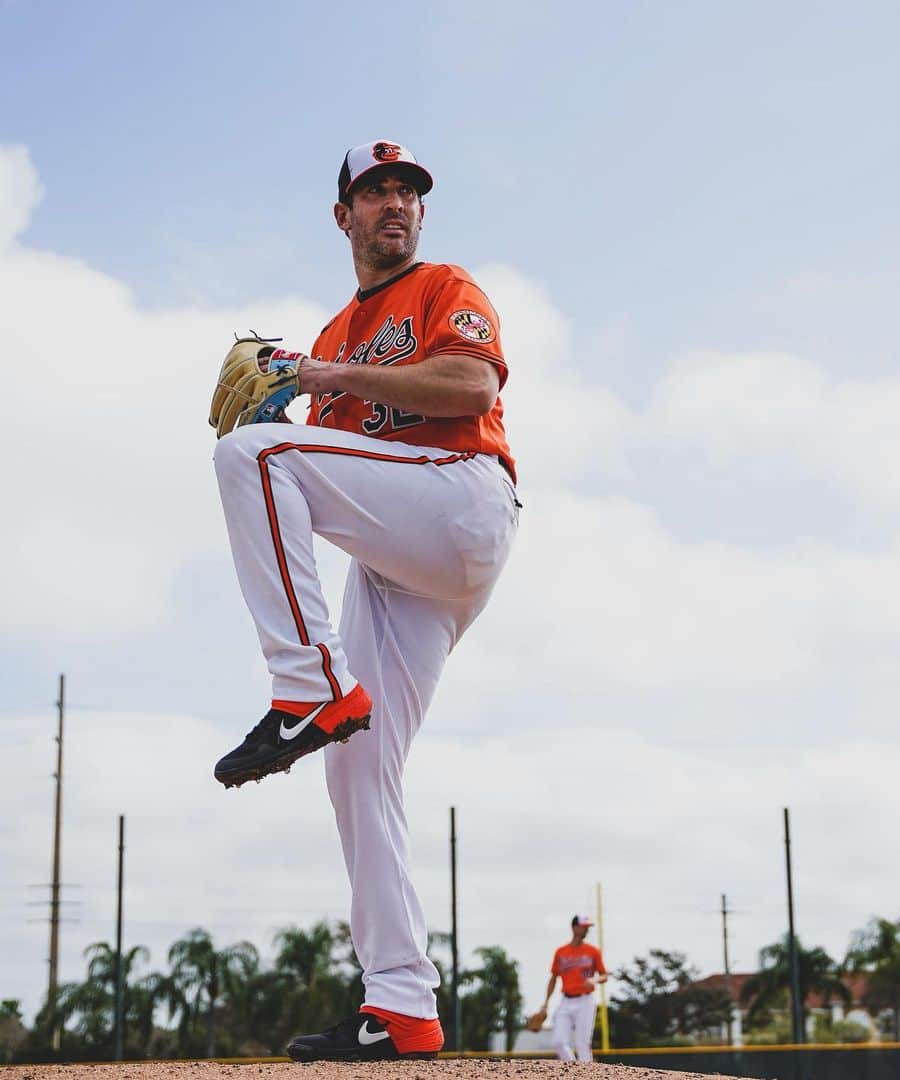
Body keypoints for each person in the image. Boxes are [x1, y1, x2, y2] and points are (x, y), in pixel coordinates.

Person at [211, 139, 519, 1060]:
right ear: (342, 214)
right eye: (375, 190)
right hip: (399, 558)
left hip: (461, 496)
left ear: (421, 214)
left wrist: (313, 383)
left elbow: (471, 382)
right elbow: (325, 471)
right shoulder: (337, 333)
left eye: (408, 191)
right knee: (356, 767)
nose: (395, 203)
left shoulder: (442, 287)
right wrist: (285, 404)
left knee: (251, 460)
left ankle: (307, 685)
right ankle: (401, 1005)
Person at [541, 915, 608, 1062]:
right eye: (583, 927)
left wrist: (594, 980)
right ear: (574, 927)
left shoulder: (593, 951)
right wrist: (546, 1003)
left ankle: (585, 1075)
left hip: (585, 1001)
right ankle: (574, 1071)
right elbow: (553, 978)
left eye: (587, 927)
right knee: (558, 1042)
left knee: (582, 1044)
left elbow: (604, 975)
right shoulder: (561, 952)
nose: (586, 930)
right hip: (566, 1000)